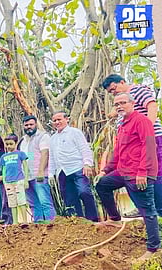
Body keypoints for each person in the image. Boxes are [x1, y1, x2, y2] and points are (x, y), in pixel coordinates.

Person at [95, 92, 160, 263]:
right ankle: (115, 219)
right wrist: (106, 170)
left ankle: (153, 248)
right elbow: (118, 152)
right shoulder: (122, 124)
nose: (119, 106)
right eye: (117, 104)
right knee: (102, 185)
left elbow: (149, 146)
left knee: (147, 210)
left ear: (132, 103)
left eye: (123, 103)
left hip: (138, 173)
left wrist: (143, 172)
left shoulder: (142, 121)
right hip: (123, 171)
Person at [102, 74, 162, 218]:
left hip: (150, 139)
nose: (113, 92)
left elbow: (152, 106)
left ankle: (159, 211)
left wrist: (147, 130)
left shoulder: (138, 90)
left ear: (122, 82)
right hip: (131, 145)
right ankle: (143, 208)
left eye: (114, 88)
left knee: (156, 174)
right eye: (110, 92)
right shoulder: (124, 102)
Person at [48, 111, 99, 222]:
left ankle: (93, 220)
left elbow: (84, 148)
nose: (57, 122)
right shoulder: (52, 139)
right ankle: (77, 222)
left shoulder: (74, 133)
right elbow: (52, 157)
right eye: (55, 120)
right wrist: (51, 174)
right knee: (70, 200)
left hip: (78, 168)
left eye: (59, 119)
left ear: (66, 119)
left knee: (84, 192)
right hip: (62, 172)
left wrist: (87, 164)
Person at [19, 115, 56, 223]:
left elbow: (45, 153)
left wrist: (40, 172)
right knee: (34, 204)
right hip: (26, 177)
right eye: (26, 125)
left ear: (36, 124)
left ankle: (52, 225)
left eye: (31, 124)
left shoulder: (42, 136)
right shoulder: (23, 140)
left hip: (39, 175)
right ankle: (38, 226)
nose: (28, 127)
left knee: (45, 202)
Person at [0, 134, 29, 225]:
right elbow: (3, 170)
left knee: (21, 201)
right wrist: (4, 182)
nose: (8, 146)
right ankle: (15, 222)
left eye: (11, 144)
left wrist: (26, 180)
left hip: (19, 180)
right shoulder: (3, 157)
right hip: (8, 182)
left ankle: (25, 220)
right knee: (12, 203)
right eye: (7, 144)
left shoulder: (20, 154)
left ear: (16, 143)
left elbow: (25, 167)